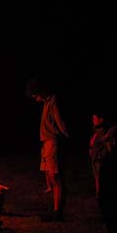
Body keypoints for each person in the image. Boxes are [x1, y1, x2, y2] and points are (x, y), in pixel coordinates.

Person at [27, 79, 69, 221]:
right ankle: (55, 210)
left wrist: (66, 137)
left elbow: (59, 121)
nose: (35, 98)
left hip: (52, 141)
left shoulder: (53, 101)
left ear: (40, 91)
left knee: (56, 177)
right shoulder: (46, 103)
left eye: (35, 95)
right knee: (50, 177)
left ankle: (58, 212)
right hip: (46, 142)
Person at [89, 110, 115, 197]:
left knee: (100, 177)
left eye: (95, 119)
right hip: (95, 157)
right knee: (97, 177)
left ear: (101, 120)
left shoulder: (103, 131)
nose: (93, 120)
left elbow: (106, 145)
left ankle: (101, 194)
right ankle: (98, 194)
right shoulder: (95, 130)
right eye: (93, 119)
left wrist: (100, 155)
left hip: (99, 158)